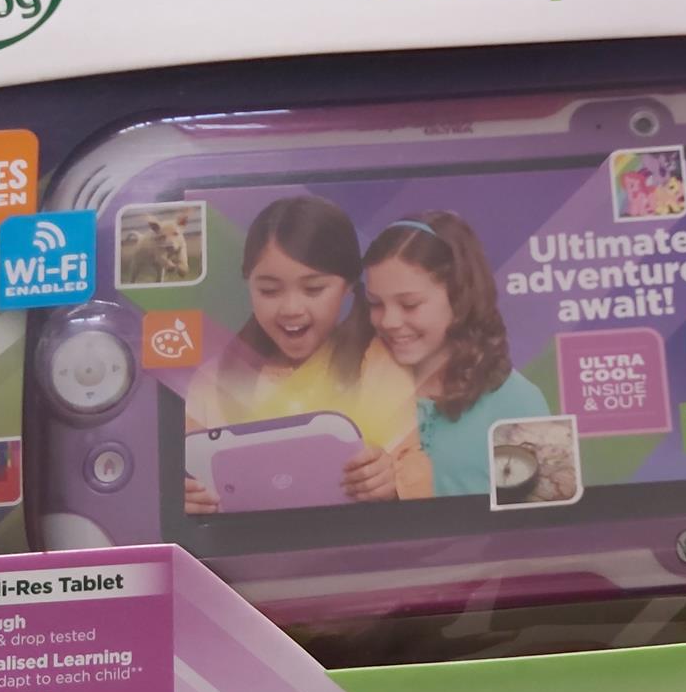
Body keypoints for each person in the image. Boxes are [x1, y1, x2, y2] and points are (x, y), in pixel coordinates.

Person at [184, 195, 426, 512]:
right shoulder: (213, 381)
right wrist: (188, 499)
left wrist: (391, 480)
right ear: (248, 284)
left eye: (313, 289)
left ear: (349, 286)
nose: (291, 308)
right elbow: (186, 483)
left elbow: (426, 472)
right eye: (269, 290)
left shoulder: (383, 368)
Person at [363, 212, 549, 497]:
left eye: (410, 304)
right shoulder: (361, 385)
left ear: (459, 297)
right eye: (375, 303)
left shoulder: (519, 402)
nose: (388, 321)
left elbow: (547, 516)